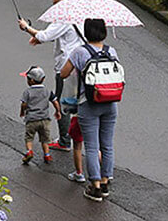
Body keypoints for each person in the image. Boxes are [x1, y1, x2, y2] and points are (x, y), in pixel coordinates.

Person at [19, 0, 83, 151]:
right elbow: (66, 36)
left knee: (62, 104)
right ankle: (76, 136)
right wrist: (39, 37)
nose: (53, 1)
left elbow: (46, 35)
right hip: (80, 65)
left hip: (66, 68)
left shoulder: (65, 15)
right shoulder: (79, 13)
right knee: (77, 102)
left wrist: (27, 28)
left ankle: (64, 140)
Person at [60, 18, 119, 202]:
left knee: (92, 147)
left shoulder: (80, 52)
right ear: (104, 32)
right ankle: (105, 181)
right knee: (107, 145)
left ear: (86, 32)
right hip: (110, 103)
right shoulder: (111, 51)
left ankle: (95, 188)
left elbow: (63, 73)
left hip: (89, 104)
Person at [20, 65, 61, 164]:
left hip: (32, 119)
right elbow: (55, 101)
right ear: (43, 79)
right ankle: (47, 155)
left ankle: (29, 151)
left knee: (29, 137)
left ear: (32, 81)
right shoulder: (47, 91)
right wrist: (58, 111)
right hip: (45, 120)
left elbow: (24, 104)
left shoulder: (27, 92)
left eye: (28, 79)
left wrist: (22, 112)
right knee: (45, 139)